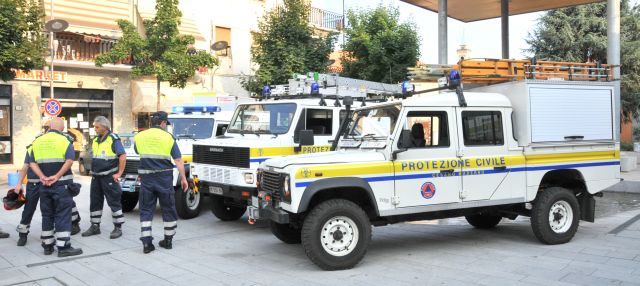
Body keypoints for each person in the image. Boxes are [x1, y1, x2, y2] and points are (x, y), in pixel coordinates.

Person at [134, 111, 188, 254]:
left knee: (146, 209)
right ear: (163, 123)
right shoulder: (168, 137)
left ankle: (146, 243)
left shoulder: (140, 136)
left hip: (146, 179)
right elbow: (178, 160)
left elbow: (138, 151)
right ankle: (168, 241)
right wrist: (183, 178)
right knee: (168, 208)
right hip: (164, 178)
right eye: (166, 124)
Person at [28, 117, 82, 257]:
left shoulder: (37, 141)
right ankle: (63, 247)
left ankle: (48, 246)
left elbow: (31, 162)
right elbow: (69, 161)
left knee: (47, 215)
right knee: (63, 215)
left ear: (49, 126)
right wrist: (57, 176)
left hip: (44, 185)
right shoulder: (65, 140)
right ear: (62, 128)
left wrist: (42, 176)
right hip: (61, 186)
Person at [81, 116, 126, 239]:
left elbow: (122, 156)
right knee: (95, 202)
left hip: (109, 177)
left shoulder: (113, 139)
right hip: (96, 177)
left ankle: (118, 227)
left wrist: (119, 173)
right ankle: (95, 226)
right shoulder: (96, 140)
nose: (95, 129)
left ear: (104, 127)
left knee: (114, 201)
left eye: (97, 127)